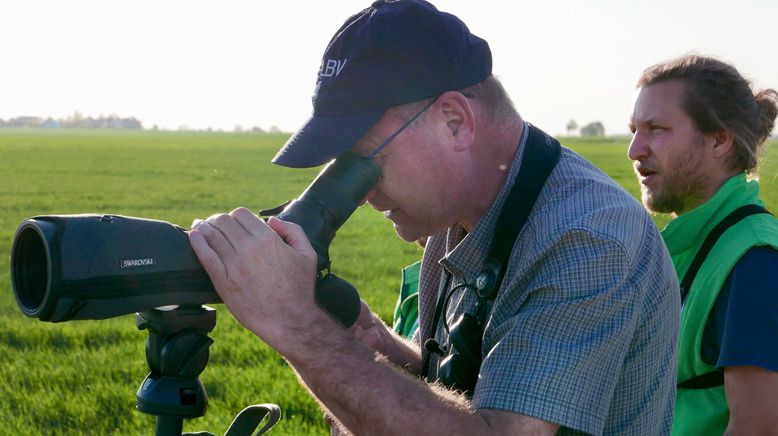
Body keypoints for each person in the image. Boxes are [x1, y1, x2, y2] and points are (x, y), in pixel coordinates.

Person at [188, 1, 680, 434]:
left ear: (454, 121)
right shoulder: (461, 213)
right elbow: (474, 385)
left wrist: (297, 326)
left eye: (364, 164)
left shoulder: (587, 239)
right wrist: (382, 348)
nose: (361, 195)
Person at [628, 54, 778, 435]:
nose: (635, 150)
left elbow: (758, 427)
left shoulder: (753, 260)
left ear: (720, 140)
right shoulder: (690, 244)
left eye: (656, 129)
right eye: (634, 130)